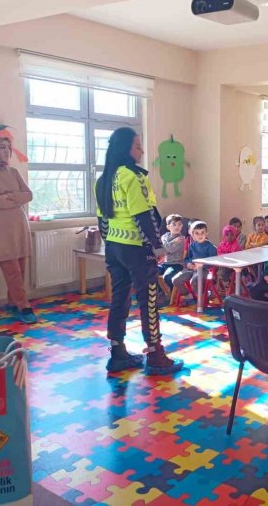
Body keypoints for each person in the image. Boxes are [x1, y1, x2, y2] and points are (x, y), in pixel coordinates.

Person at [95, 127, 182, 374]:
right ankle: (155, 354)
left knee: (119, 297)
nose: (142, 150)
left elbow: (102, 221)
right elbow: (144, 215)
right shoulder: (134, 177)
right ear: (125, 149)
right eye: (138, 146)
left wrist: (110, 244)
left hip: (113, 247)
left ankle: (118, 351)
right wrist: (156, 247)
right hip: (136, 249)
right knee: (149, 299)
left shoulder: (103, 180)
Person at [0, 137, 36, 324]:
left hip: (19, 225)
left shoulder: (13, 171)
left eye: (7, 147)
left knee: (20, 267)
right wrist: (15, 198)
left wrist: (8, 196)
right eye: (1, 148)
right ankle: (24, 305)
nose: (6, 151)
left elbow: (29, 195)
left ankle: (13, 302)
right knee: (11, 269)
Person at [173, 221, 218, 298]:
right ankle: (188, 295)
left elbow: (213, 261)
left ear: (206, 233)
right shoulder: (192, 246)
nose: (200, 235)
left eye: (202, 232)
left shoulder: (210, 247)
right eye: (197, 233)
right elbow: (187, 258)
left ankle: (201, 297)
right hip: (191, 269)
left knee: (194, 280)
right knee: (176, 279)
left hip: (205, 271)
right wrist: (188, 263)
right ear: (193, 235)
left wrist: (202, 266)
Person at [159, 214, 185, 293]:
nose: (177, 227)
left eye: (179, 224)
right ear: (168, 227)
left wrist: (166, 245)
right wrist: (172, 241)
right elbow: (162, 249)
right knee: (151, 272)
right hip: (165, 263)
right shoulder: (164, 236)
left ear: (182, 226)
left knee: (168, 276)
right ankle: (161, 292)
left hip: (176, 264)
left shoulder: (181, 238)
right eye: (174, 224)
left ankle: (173, 293)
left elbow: (169, 249)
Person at [216, 224, 242, 289]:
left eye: (232, 235)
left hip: (232, 265)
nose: (229, 237)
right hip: (222, 263)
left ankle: (227, 284)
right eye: (227, 235)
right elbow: (219, 252)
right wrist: (224, 255)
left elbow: (232, 256)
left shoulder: (236, 244)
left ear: (234, 235)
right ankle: (221, 282)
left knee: (223, 271)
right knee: (214, 269)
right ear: (224, 235)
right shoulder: (221, 244)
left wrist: (224, 255)